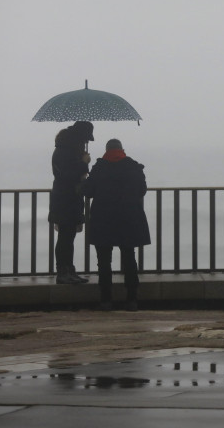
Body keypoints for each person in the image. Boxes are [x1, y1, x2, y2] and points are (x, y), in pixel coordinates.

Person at [80, 138, 150, 311]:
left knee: (104, 261)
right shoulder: (134, 167)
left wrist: (84, 173)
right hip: (128, 218)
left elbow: (88, 192)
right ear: (122, 149)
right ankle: (132, 299)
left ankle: (106, 300)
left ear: (106, 150)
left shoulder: (99, 168)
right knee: (129, 258)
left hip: (103, 219)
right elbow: (142, 190)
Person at [49, 120, 93, 285]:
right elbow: (67, 175)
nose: (86, 142)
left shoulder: (67, 150)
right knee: (65, 238)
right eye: (85, 139)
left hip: (69, 199)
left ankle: (69, 270)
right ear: (78, 137)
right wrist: (84, 163)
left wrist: (82, 162)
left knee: (69, 237)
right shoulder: (63, 152)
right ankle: (63, 272)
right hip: (65, 199)